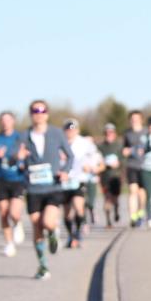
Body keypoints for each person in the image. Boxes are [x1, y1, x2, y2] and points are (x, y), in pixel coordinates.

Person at [18, 100, 73, 279]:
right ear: (31, 114)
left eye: (42, 110)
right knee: (36, 226)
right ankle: (43, 265)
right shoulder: (24, 135)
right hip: (33, 189)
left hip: (52, 187)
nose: (39, 113)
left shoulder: (56, 133)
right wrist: (18, 157)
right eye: (35, 110)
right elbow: (13, 160)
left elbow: (70, 156)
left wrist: (65, 172)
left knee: (48, 222)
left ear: (47, 114)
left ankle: (53, 232)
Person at [0, 111, 27, 258]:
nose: (5, 122)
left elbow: (27, 155)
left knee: (14, 213)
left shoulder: (20, 138)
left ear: (13, 121)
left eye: (8, 120)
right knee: (3, 213)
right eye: (3, 120)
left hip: (18, 179)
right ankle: (9, 243)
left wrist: (22, 160)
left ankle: (17, 223)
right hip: (1, 179)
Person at [61, 118, 99, 248]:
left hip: (79, 179)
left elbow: (94, 155)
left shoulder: (84, 142)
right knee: (67, 212)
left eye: (73, 129)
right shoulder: (59, 142)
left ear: (77, 130)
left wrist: (91, 166)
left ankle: (77, 233)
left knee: (79, 207)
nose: (70, 132)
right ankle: (70, 235)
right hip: (64, 180)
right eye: (68, 130)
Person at [122, 110, 147, 228]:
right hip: (132, 165)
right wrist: (125, 151)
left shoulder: (146, 132)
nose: (134, 121)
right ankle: (132, 216)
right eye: (132, 119)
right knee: (133, 191)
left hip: (144, 165)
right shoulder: (127, 133)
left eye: (136, 119)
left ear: (141, 120)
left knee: (142, 192)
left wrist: (145, 151)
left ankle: (140, 212)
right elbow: (124, 149)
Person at [96, 122, 124, 227]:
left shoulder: (119, 146)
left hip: (116, 176)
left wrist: (119, 164)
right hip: (105, 177)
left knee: (115, 199)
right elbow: (96, 160)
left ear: (114, 134)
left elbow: (123, 160)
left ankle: (116, 209)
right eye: (107, 133)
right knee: (107, 198)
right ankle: (108, 221)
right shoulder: (100, 146)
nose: (109, 134)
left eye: (111, 132)